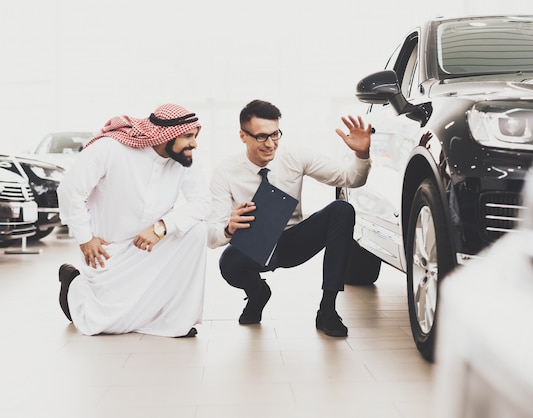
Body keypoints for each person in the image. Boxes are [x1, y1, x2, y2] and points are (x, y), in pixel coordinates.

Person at [208, 99, 371, 337]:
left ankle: (328, 310)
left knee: (342, 210)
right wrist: (228, 228)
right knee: (228, 263)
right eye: (262, 137)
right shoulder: (225, 171)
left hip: (292, 241)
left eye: (275, 135)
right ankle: (257, 294)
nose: (270, 143)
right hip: (255, 245)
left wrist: (362, 154)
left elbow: (351, 179)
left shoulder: (295, 156)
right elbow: (212, 237)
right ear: (243, 136)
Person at [56, 103, 211, 338]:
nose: (194, 143)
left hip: (151, 247)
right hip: (108, 253)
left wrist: (162, 227)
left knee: (197, 230)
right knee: (104, 327)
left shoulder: (186, 159)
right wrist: (85, 239)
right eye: (188, 136)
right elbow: (70, 191)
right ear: (165, 136)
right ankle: (74, 285)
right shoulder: (111, 148)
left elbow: (202, 203)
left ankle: (176, 320)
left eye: (195, 135)